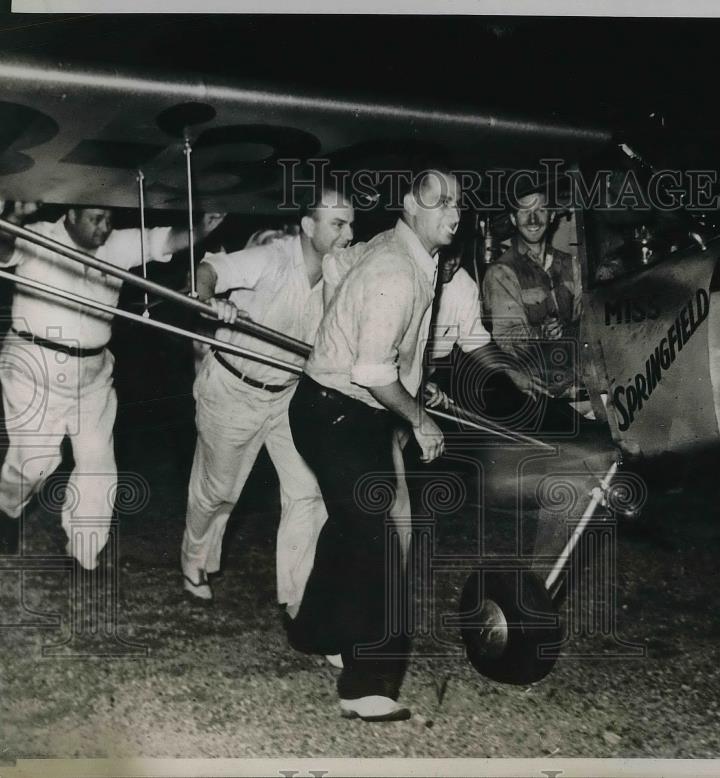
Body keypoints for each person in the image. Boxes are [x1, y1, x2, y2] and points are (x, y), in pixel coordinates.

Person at [285, 168, 457, 722]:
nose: (454, 213)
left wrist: (414, 380)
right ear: (411, 204)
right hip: (337, 411)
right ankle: (366, 687)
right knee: (378, 539)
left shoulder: (399, 247)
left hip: (342, 409)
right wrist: (420, 418)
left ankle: (313, 631)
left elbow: (347, 278)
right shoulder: (398, 269)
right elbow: (371, 370)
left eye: (459, 203)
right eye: (440, 202)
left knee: (350, 525)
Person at [0, 200, 224, 566]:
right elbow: (4, 248)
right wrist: (11, 219)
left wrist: (201, 228)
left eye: (108, 218)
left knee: (98, 464)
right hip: (33, 367)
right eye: (95, 219)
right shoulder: (38, 235)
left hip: (93, 372)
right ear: (70, 214)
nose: (103, 227)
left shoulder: (117, 244)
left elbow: (165, 241)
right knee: (34, 463)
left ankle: (85, 552)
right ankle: (7, 510)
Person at [181, 192, 354, 612]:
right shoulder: (272, 258)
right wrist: (209, 302)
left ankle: (298, 597)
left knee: (307, 492)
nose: (348, 235)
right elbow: (207, 270)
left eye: (351, 224)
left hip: (289, 397)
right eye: (338, 225)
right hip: (233, 386)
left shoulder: (342, 272)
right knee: (219, 492)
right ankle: (194, 561)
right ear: (309, 226)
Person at [481, 188, 582, 395]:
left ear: (552, 215)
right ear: (513, 218)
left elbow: (589, 321)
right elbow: (507, 339)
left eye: (541, 210)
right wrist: (540, 333)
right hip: (539, 390)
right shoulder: (501, 272)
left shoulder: (572, 264)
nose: (533, 219)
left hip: (581, 382)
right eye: (524, 211)